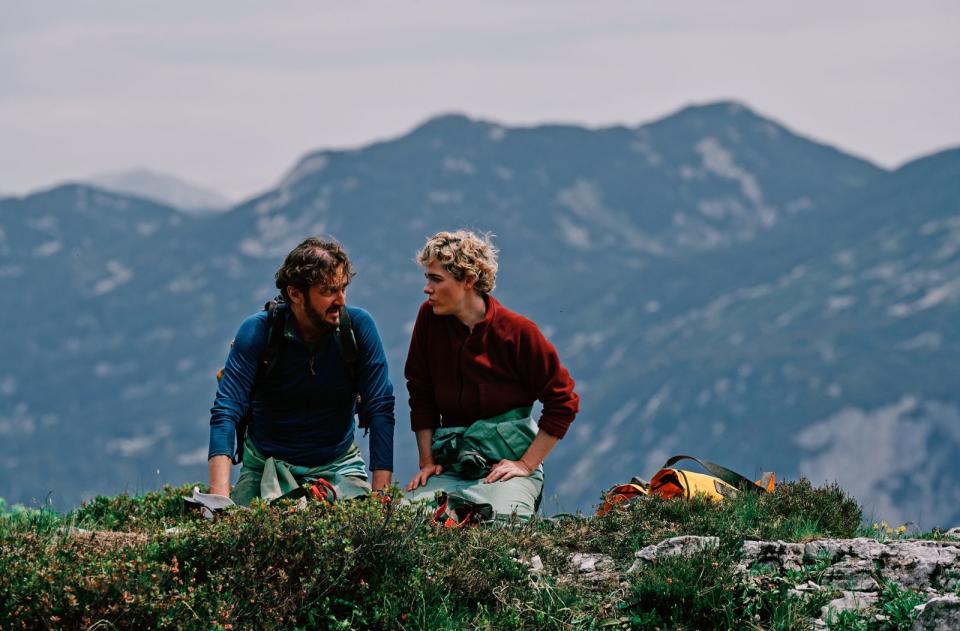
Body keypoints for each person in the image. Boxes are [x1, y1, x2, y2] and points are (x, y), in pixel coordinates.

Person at [404, 230, 579, 521]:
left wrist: (525, 464)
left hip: (504, 470)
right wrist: (427, 462)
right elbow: (420, 391)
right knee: (405, 523)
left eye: (435, 279)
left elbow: (563, 401)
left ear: (468, 281)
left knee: (496, 524)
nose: (427, 288)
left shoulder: (518, 333)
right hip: (451, 467)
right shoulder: (429, 320)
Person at [208, 237, 395, 504]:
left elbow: (380, 408)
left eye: (343, 288)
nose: (341, 300)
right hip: (267, 465)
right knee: (247, 535)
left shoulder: (359, 328)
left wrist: (380, 497)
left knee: (358, 536)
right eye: (329, 291)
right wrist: (219, 500)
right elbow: (227, 409)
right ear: (295, 293)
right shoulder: (258, 332)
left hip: (338, 465)